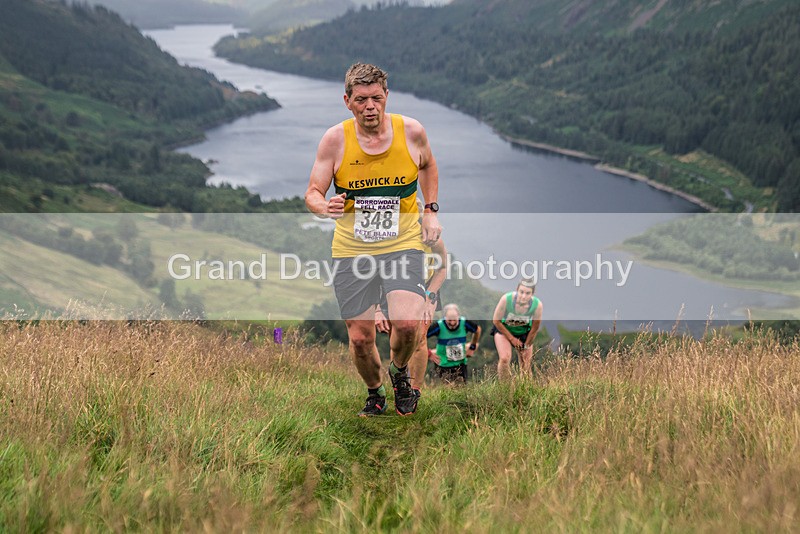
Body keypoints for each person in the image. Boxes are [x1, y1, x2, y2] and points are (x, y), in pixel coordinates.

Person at [305, 62, 442, 416]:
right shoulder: (335, 140)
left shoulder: (411, 132)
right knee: (361, 339)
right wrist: (325, 207)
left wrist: (430, 209)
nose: (370, 106)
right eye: (362, 99)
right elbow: (313, 193)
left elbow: (427, 165)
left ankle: (399, 375)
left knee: (409, 325)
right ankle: (375, 392)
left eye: (377, 98)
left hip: (403, 242)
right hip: (353, 249)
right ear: (347, 101)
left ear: (386, 97)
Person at [375, 198, 448, 393]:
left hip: (426, 287)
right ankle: (400, 385)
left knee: (420, 338)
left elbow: (442, 268)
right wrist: (377, 309)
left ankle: (415, 389)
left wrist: (429, 298)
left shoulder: (430, 237)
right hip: (392, 285)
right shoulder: (387, 236)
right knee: (397, 335)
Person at [491, 278, 543, 379]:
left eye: (528, 293)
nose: (523, 296)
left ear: (532, 294)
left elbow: (535, 328)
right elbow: (496, 321)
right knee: (505, 358)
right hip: (504, 330)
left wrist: (526, 345)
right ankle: (504, 387)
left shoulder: (537, 305)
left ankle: (526, 389)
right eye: (521, 292)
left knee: (525, 363)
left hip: (524, 333)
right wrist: (512, 339)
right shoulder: (506, 299)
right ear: (517, 290)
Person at [426, 303, 481, 384]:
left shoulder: (464, 322)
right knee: (447, 389)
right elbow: (421, 337)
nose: (452, 323)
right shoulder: (438, 326)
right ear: (445, 317)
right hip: (443, 364)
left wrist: (472, 347)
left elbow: (477, 330)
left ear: (458, 316)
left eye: (455, 320)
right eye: (449, 320)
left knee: (462, 388)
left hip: (461, 363)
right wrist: (429, 353)